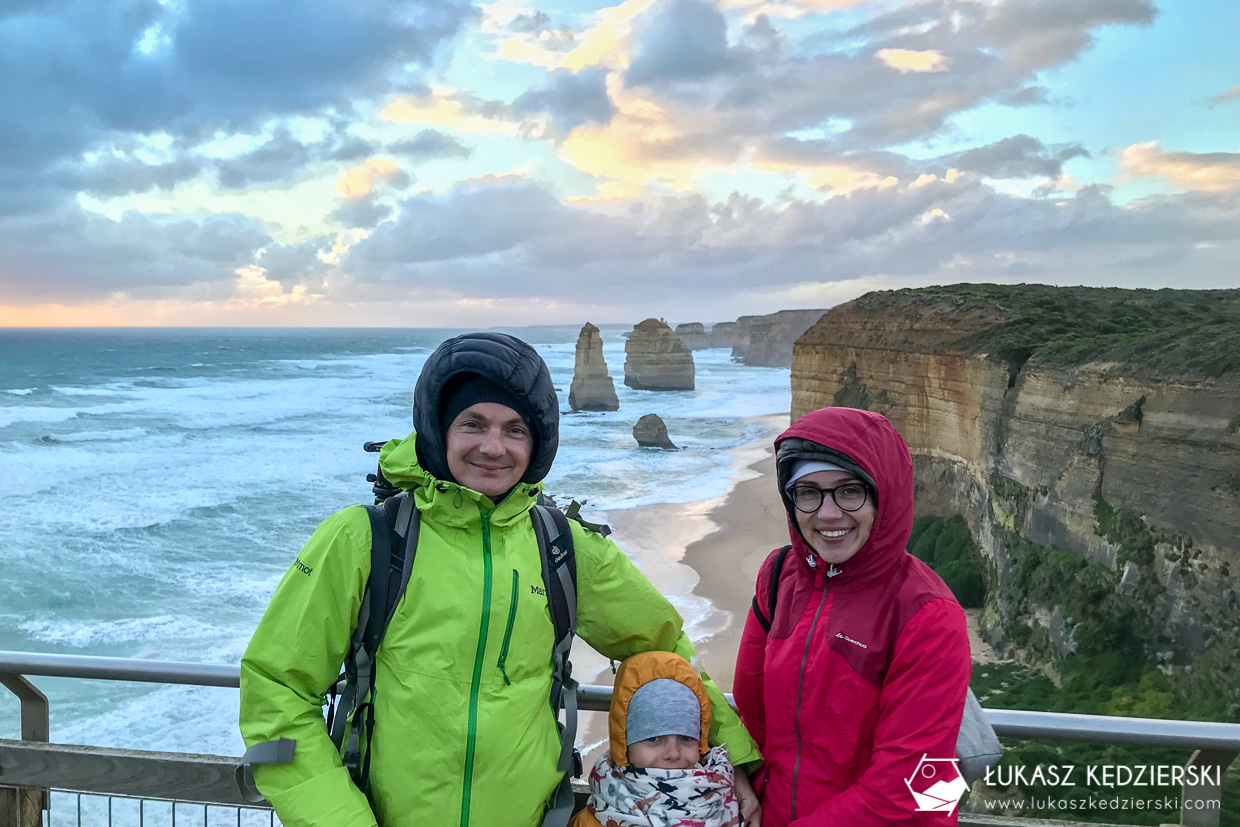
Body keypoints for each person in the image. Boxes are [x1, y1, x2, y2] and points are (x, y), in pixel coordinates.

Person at [239, 332, 761, 827]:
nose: (494, 446)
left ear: (537, 445)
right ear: (438, 427)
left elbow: (663, 646)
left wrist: (728, 757)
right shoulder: (363, 540)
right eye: (473, 423)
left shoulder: (564, 547)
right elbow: (278, 691)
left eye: (516, 429)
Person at [733, 406, 971, 826]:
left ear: (885, 495)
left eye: (849, 490)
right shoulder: (777, 576)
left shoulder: (928, 614)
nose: (827, 514)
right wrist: (734, 776)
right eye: (807, 491)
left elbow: (906, 789)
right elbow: (753, 719)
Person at [570, 651, 741, 827]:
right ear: (624, 744)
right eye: (654, 739)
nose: (673, 753)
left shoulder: (730, 805)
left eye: (685, 738)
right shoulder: (590, 822)